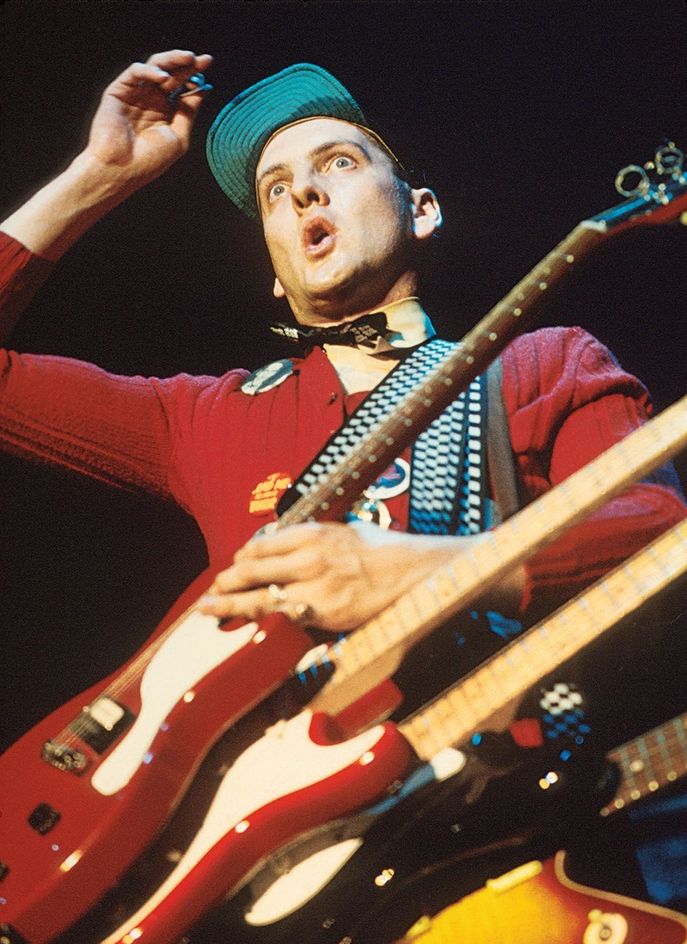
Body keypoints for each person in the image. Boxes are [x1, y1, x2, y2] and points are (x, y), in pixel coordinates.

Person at [1, 49, 684, 649]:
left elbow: (657, 529)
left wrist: (427, 570)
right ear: (274, 271)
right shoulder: (204, 416)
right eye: (275, 191)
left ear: (420, 210)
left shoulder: (546, 362)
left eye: (338, 161)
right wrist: (97, 174)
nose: (302, 190)